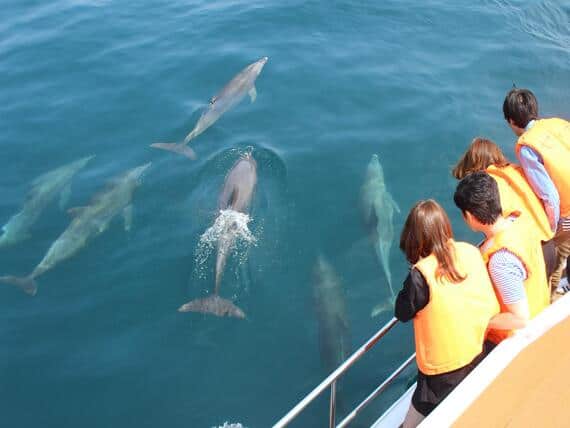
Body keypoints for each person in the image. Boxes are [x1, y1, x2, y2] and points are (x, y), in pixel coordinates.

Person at [395, 199, 499, 428]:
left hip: (443, 372)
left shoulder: (420, 276)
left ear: (413, 237)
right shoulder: (470, 251)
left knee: (411, 423)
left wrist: (414, 268)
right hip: (479, 348)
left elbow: (402, 312)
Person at [454, 171, 549, 345]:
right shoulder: (519, 222)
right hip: (540, 313)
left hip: (517, 340)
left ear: (469, 216)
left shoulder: (501, 261)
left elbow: (520, 318)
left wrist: (479, 320)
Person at [452, 137, 556, 282]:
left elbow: (497, 226)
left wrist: (481, 252)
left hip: (526, 254)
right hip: (548, 244)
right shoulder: (517, 172)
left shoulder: (490, 187)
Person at [503, 88, 570, 293]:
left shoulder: (528, 148)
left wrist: (548, 231)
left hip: (567, 214)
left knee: (551, 255)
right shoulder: (557, 123)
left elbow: (550, 196)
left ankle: (552, 293)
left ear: (511, 121)